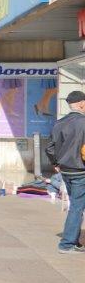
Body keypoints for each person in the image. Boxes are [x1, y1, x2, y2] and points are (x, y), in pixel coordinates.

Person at [47, 90, 85, 254]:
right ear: (82, 104)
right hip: (81, 170)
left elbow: (49, 147)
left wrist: (56, 163)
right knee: (77, 207)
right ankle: (67, 244)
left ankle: (75, 241)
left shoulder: (59, 122)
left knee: (76, 205)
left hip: (66, 171)